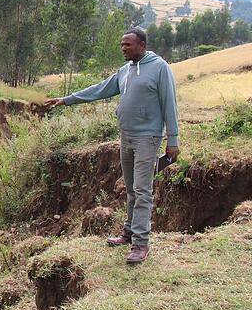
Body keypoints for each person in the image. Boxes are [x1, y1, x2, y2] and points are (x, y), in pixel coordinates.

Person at [44, 28, 179, 264]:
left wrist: (173, 140)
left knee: (142, 189)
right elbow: (99, 89)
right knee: (130, 188)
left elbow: (170, 104)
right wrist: (67, 100)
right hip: (126, 137)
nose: (123, 48)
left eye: (128, 45)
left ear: (142, 45)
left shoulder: (160, 68)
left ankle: (140, 244)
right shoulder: (124, 71)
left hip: (148, 138)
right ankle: (128, 232)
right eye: (122, 45)